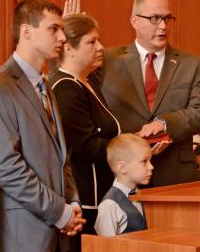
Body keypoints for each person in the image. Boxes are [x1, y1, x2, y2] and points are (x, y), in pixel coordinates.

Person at [70, 0, 200, 186]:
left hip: (175, 175)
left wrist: (164, 124)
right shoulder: (107, 61)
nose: (163, 26)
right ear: (134, 21)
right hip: (122, 176)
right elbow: (68, 78)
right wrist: (68, 38)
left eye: (167, 18)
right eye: (154, 18)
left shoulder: (191, 64)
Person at [0, 0, 84, 252]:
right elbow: (7, 168)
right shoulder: (0, 85)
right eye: (53, 29)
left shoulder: (44, 84)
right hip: (23, 230)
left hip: (57, 226)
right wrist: (60, 211)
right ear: (26, 31)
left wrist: (73, 202)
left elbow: (61, 155)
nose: (62, 37)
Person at [50, 14, 120, 236]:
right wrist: (130, 147)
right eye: (91, 42)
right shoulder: (65, 87)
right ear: (69, 48)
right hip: (87, 199)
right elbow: (88, 146)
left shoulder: (86, 81)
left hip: (100, 194)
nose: (101, 47)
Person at [94, 133, 153, 237]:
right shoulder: (109, 205)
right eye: (144, 161)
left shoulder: (144, 196)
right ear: (122, 167)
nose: (151, 167)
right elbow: (105, 247)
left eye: (150, 161)